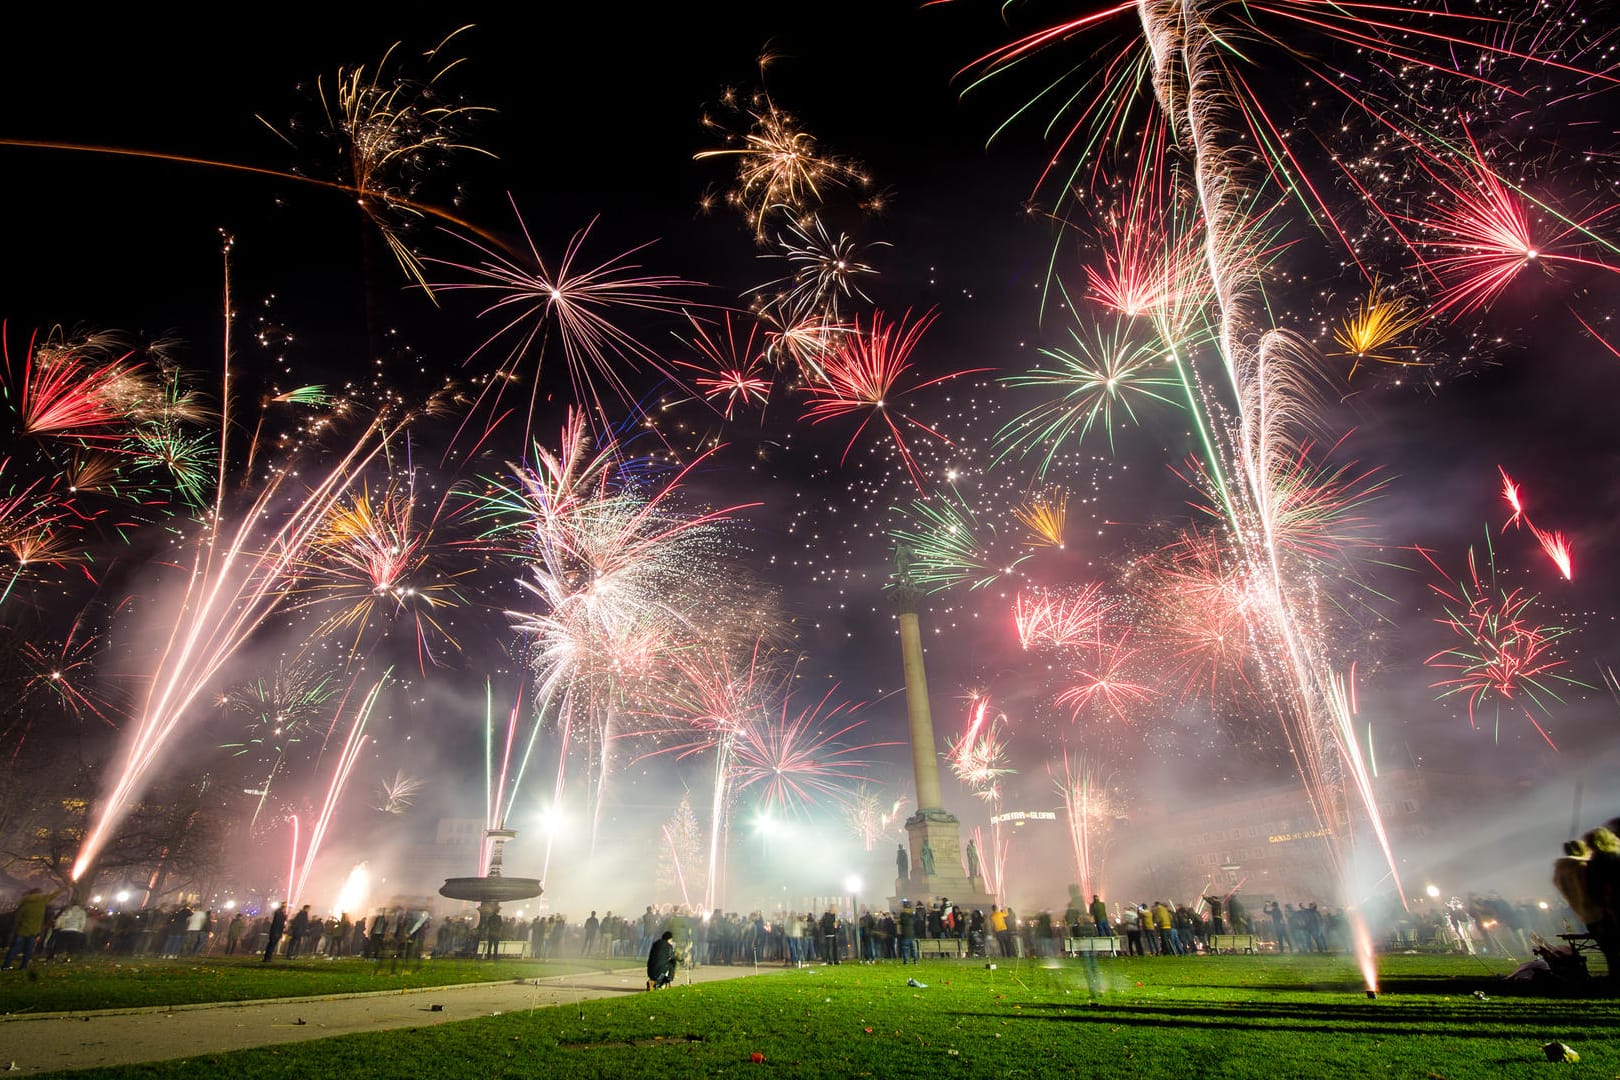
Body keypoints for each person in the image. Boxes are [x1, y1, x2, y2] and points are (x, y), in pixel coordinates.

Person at [2, 887, 63, 970]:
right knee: (29, 950)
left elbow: (17, 918)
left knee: (14, 949)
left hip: (22, 931)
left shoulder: (25, 903)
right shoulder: (43, 901)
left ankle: (6, 966)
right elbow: (54, 894)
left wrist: (16, 928)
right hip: (34, 931)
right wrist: (67, 887)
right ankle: (23, 967)